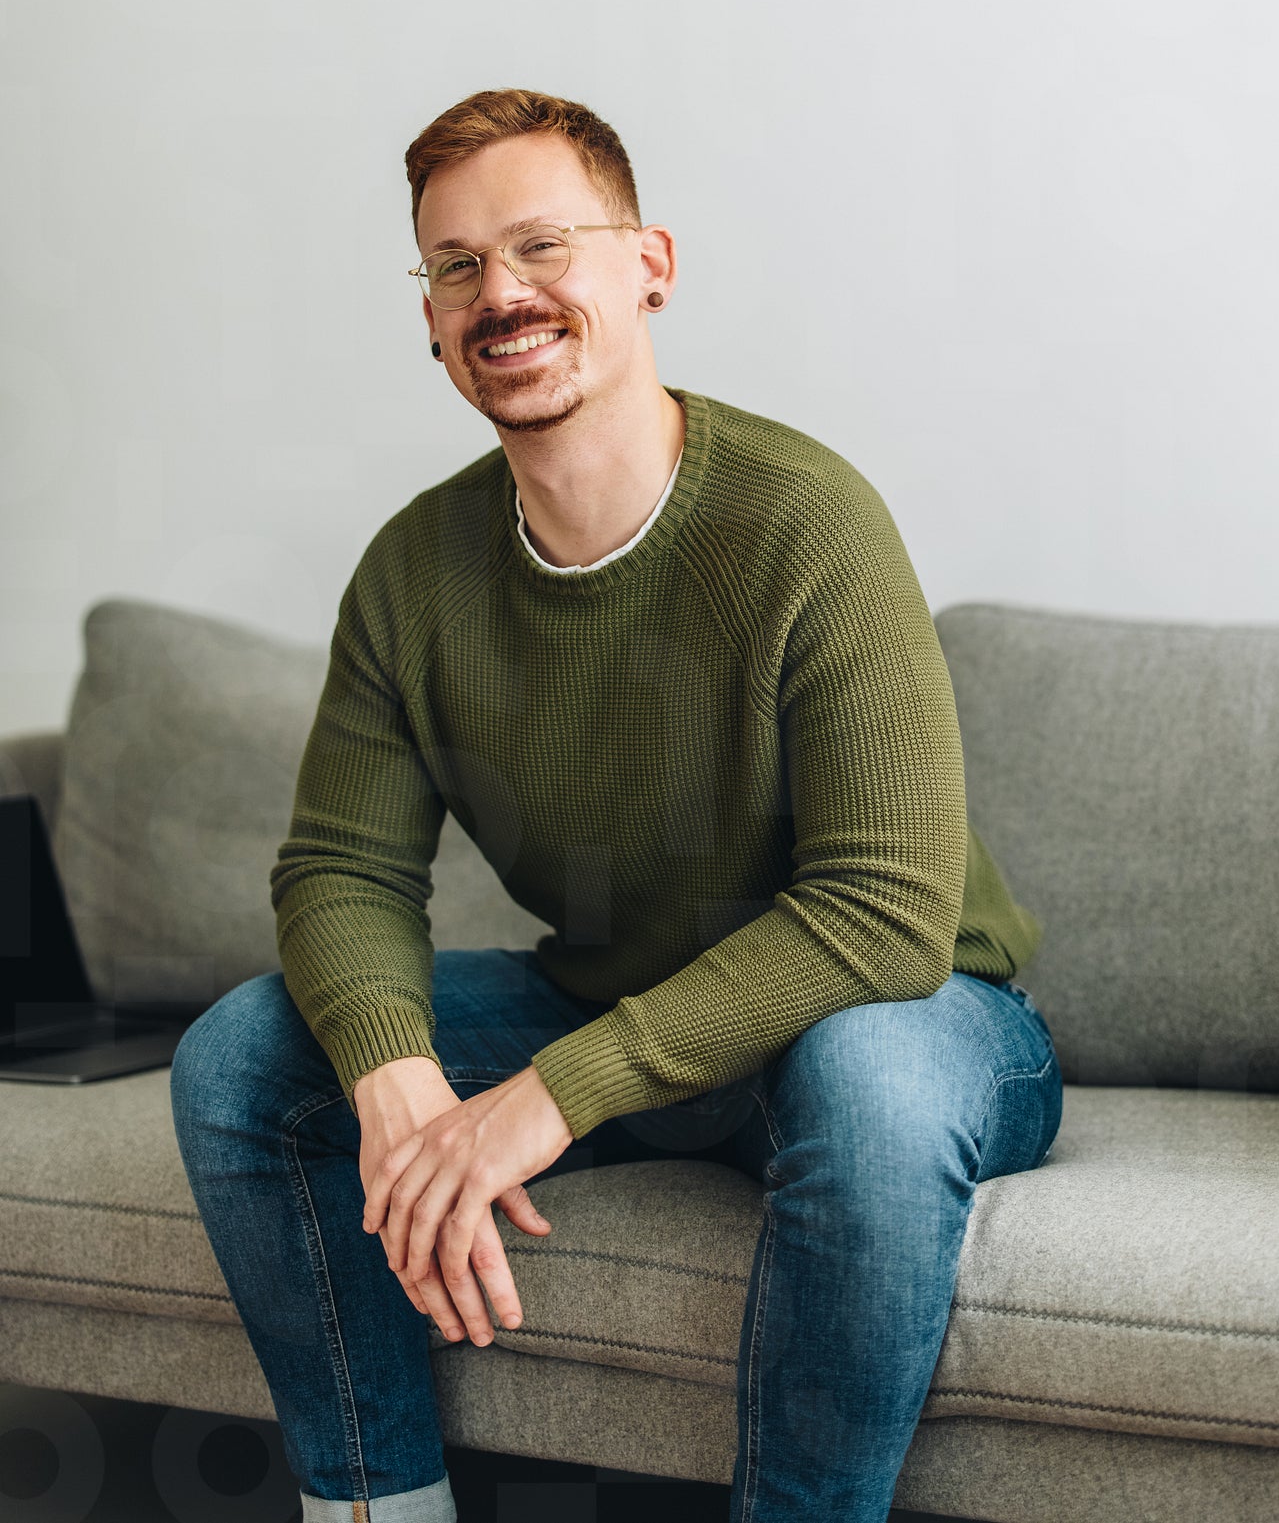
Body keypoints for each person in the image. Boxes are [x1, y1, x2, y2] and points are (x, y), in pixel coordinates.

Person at [170, 87, 1060, 1523]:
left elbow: (884, 913)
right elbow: (340, 868)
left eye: (541, 245)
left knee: (869, 1085)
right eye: (456, 264)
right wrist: (397, 1078)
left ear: (649, 265)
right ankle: (381, 1509)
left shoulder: (807, 519)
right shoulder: (411, 573)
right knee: (243, 1060)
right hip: (621, 990)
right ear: (429, 318)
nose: (500, 293)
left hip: (912, 1009)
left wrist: (549, 1098)